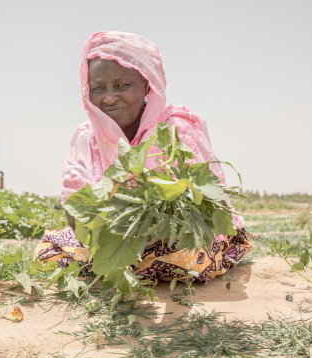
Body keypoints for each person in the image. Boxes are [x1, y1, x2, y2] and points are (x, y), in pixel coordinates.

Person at [35, 31, 251, 283]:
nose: (109, 97)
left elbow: (202, 207)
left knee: (186, 257)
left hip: (179, 236)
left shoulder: (175, 128)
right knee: (52, 249)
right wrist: (101, 229)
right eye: (98, 88)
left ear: (147, 85)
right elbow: (75, 204)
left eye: (121, 85)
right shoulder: (86, 137)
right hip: (117, 239)